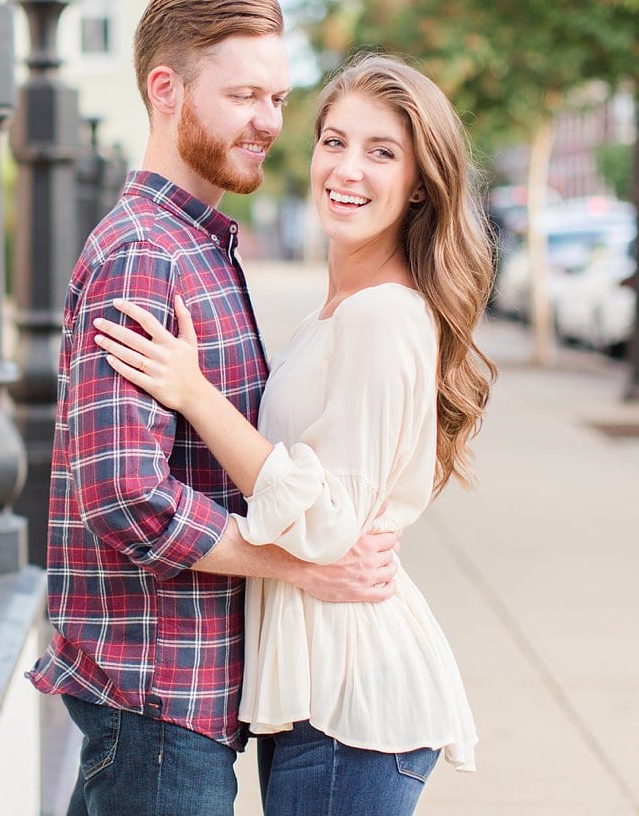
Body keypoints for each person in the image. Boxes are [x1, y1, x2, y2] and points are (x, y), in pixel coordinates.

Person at [25, 0, 403, 816]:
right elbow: (123, 494)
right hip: (158, 693)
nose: (268, 120)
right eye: (242, 95)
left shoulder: (200, 242)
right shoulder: (144, 254)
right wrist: (302, 564)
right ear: (166, 91)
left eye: (275, 95)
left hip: (185, 694)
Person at [93, 53, 496, 815]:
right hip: (320, 691)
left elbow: (328, 526)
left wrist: (193, 392)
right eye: (333, 141)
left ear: (418, 183)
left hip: (354, 697)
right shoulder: (335, 314)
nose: (346, 169)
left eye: (381, 151)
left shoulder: (382, 316)